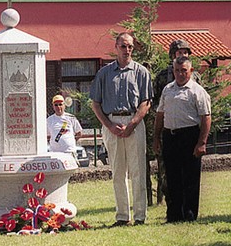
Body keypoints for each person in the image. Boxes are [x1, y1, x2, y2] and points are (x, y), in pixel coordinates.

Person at [90, 32, 152, 226]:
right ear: (116, 47)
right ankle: (122, 216)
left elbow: (146, 102)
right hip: (112, 123)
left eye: (130, 47)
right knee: (118, 173)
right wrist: (109, 125)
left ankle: (140, 216)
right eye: (123, 46)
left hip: (135, 122)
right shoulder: (104, 73)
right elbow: (95, 104)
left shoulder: (141, 72)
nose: (127, 50)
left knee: (138, 171)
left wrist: (133, 124)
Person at [153, 57, 211, 222]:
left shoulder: (197, 91)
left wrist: (202, 142)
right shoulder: (167, 90)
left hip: (190, 136)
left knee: (190, 178)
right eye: (177, 70)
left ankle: (190, 214)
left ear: (191, 71)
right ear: (173, 71)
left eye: (184, 70)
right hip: (170, 136)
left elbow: (206, 118)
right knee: (172, 177)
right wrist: (156, 138)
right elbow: (160, 114)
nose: (180, 74)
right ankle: (174, 214)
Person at [153, 39, 201, 108]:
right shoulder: (163, 76)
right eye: (180, 53)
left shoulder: (195, 76)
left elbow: (201, 99)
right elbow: (155, 99)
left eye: (185, 53)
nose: (183, 55)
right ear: (173, 56)